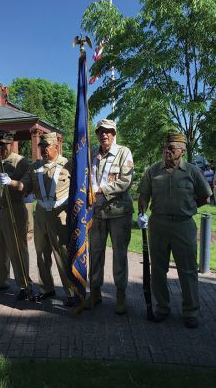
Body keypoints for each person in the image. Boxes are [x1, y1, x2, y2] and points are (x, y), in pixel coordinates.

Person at [137, 132, 212, 328]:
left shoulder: (192, 171)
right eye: (165, 147)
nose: (167, 151)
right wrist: (142, 212)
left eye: (171, 148)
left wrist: (190, 208)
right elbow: (144, 194)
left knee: (187, 270)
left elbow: (206, 196)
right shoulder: (153, 171)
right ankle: (162, 307)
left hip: (183, 225)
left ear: (182, 151)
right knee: (158, 269)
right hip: (158, 224)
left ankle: (191, 311)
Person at [0, 132, 75, 307]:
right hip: (40, 213)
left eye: (47, 146)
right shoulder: (35, 167)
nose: (44, 150)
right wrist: (10, 182)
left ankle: (71, 292)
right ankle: (47, 288)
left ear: (57, 146)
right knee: (41, 253)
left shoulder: (68, 165)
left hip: (60, 214)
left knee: (62, 254)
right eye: (41, 146)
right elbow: (24, 185)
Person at [84, 119, 134, 314]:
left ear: (114, 134)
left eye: (108, 131)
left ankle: (120, 295)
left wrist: (101, 190)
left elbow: (125, 181)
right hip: (96, 213)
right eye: (100, 131)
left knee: (120, 255)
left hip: (118, 213)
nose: (104, 134)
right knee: (96, 254)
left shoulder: (123, 152)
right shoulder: (91, 155)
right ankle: (95, 293)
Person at [0, 131, 32, 299]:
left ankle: (24, 285)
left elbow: (27, 186)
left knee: (17, 250)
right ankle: (0, 281)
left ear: (11, 144)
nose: (1, 147)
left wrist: (13, 183)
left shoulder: (20, 162)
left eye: (4, 144)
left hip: (14, 209)